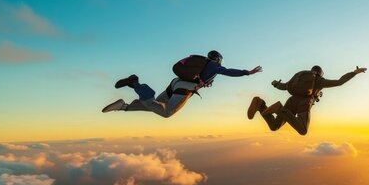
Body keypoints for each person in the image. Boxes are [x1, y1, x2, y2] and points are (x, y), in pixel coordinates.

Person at [102, 50, 262, 117]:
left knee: (154, 105)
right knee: (166, 112)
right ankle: (140, 87)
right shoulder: (214, 66)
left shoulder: (199, 62)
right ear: (218, 59)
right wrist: (247, 72)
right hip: (185, 88)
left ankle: (124, 106)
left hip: (174, 83)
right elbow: (228, 71)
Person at [247, 65, 366, 135]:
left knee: (274, 126)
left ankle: (261, 104)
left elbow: (284, 87)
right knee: (303, 130)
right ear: (320, 74)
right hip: (303, 104)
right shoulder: (319, 81)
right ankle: (278, 108)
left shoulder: (298, 79)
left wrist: (275, 84)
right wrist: (354, 72)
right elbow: (340, 82)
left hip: (291, 101)